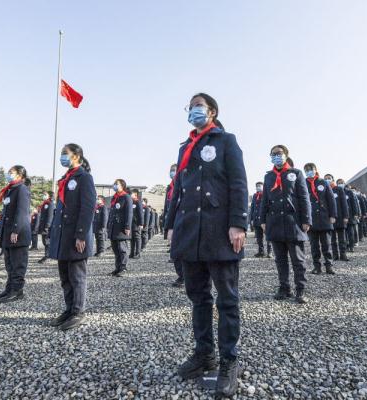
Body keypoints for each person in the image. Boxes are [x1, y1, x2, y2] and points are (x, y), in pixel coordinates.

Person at [165, 93, 248, 397]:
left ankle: (229, 360)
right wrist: (171, 224)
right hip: (191, 233)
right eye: (191, 106)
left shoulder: (226, 141)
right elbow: (178, 191)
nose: (193, 110)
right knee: (198, 296)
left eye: (199, 105)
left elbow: (239, 182)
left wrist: (238, 223)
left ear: (212, 111)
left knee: (227, 298)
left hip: (219, 231)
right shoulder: (185, 147)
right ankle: (205, 354)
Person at [49, 143, 96, 330]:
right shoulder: (65, 178)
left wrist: (81, 235)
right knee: (65, 277)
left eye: (65, 154)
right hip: (63, 235)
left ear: (76, 156)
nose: (62, 157)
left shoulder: (84, 178)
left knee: (77, 276)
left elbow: (87, 208)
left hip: (75, 235)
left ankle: (78, 312)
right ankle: (69, 309)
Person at [260, 145, 311, 303]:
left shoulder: (296, 173)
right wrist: (262, 220)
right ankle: (284, 287)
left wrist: (306, 220)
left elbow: (304, 197)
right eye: (274, 154)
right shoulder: (268, 176)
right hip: (274, 222)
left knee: (298, 259)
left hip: (293, 222)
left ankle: (300, 289)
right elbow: (265, 200)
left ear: (286, 155)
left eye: (279, 153)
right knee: (280, 259)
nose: (277, 156)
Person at [0, 166, 31, 303]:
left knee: (18, 264)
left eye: (11, 173)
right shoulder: (11, 189)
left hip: (18, 234)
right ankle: (9, 289)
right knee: (9, 264)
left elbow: (21, 212)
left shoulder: (21, 189)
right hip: (8, 233)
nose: (9, 175)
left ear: (20, 175)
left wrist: (16, 230)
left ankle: (17, 291)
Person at [304, 163, 337, 275]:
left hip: (324, 218)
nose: (309, 171)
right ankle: (316, 266)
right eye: (307, 170)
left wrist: (333, 215)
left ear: (316, 170)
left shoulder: (323, 182)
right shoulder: (303, 183)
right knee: (314, 245)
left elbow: (331, 199)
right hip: (311, 219)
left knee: (326, 244)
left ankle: (329, 266)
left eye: (311, 169)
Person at [107, 179, 132, 277]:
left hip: (121, 227)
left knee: (122, 249)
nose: (114, 185)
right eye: (114, 184)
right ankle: (117, 268)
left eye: (116, 184)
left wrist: (127, 226)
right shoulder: (115, 197)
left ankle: (123, 268)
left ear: (122, 185)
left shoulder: (126, 197)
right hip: (114, 227)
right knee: (115, 249)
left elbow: (129, 213)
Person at [325, 175, 349, 262]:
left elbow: (344, 204)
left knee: (342, 238)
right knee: (333, 239)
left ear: (332, 180)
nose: (327, 180)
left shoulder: (339, 189)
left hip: (340, 217)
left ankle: (343, 254)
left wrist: (346, 216)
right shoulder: (325, 189)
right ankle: (335, 255)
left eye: (329, 178)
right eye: (326, 179)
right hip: (330, 218)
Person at [250, 181, 272, 258]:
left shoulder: (266, 195)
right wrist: (251, 219)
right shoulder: (255, 195)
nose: (258, 187)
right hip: (256, 220)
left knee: (268, 237)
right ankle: (261, 252)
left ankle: (270, 252)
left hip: (265, 220)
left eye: (260, 185)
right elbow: (252, 208)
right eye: (257, 186)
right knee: (259, 238)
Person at [38, 191, 55, 263]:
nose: (43, 196)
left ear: (49, 196)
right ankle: (49, 255)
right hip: (43, 226)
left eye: (45, 194)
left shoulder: (50, 204)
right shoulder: (45, 203)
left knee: (47, 241)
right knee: (45, 241)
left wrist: (47, 226)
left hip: (47, 227)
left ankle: (47, 255)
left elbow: (50, 216)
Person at [129, 189, 144, 259]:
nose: (130, 195)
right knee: (132, 239)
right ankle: (132, 253)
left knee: (137, 238)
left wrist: (141, 223)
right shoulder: (131, 202)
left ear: (135, 194)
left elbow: (141, 213)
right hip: (131, 224)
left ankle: (138, 253)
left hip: (137, 223)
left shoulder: (138, 202)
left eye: (131, 193)